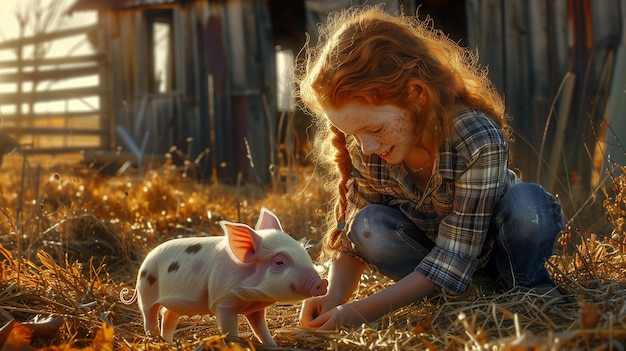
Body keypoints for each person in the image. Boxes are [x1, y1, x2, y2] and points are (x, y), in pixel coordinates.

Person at [294, 6, 565, 330]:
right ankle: (451, 300)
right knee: (367, 224)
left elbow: (454, 257)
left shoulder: (475, 137)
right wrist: (335, 297)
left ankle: (524, 293)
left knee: (527, 207)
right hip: (430, 262)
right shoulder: (370, 150)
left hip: (494, 252)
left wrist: (359, 312)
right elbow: (353, 243)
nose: (366, 147)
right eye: (354, 134)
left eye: (375, 129)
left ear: (416, 96)